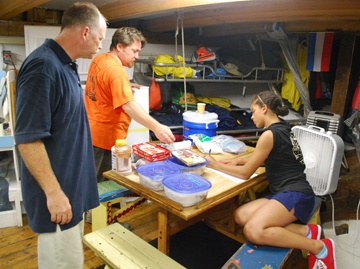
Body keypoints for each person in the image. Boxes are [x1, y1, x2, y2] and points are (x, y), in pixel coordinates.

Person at [14, 3, 107, 268]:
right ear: (85, 32)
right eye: (100, 38)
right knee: (61, 264)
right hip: (57, 197)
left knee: (72, 262)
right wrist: (55, 194)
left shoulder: (66, 64)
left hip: (70, 191)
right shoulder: (43, 67)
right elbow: (28, 139)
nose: (100, 45)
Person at [204, 91, 336, 269]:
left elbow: (245, 173)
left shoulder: (268, 135)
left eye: (253, 111)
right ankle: (307, 231)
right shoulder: (285, 128)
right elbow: (276, 156)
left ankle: (319, 247)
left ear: (264, 108)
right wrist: (238, 160)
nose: (251, 116)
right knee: (240, 215)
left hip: (296, 194)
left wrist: (214, 165)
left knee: (252, 230)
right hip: (287, 192)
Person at [84, 27, 175, 183]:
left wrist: (124, 85)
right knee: (101, 190)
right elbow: (128, 105)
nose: (137, 56)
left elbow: (103, 86)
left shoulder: (100, 59)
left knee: (90, 182)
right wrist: (157, 127)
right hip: (105, 142)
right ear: (119, 46)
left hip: (90, 134)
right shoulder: (117, 71)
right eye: (134, 51)